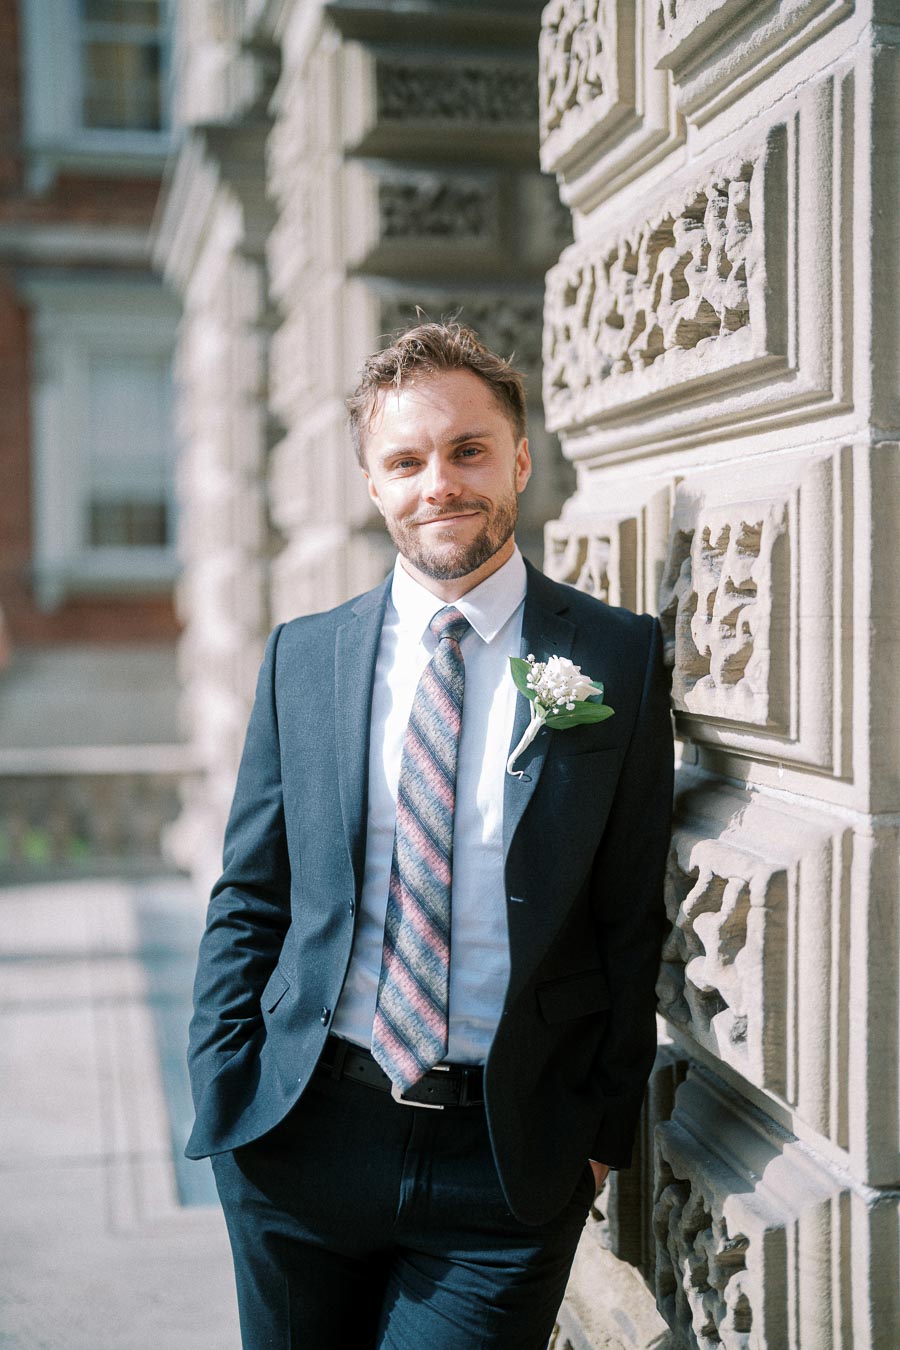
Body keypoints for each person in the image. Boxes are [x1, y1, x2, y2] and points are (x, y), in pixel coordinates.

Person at [186, 321, 673, 1348]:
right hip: (300, 1138)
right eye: (405, 461)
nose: (439, 484)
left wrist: (598, 1134)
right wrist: (226, 1087)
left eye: (468, 450)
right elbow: (251, 897)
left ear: (520, 459)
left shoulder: (615, 661)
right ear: (373, 484)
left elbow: (632, 914)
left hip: (502, 1162)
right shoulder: (304, 659)